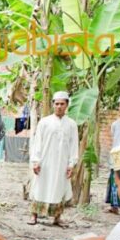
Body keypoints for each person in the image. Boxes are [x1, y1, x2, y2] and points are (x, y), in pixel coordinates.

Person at [28, 91, 78, 227]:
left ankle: (57, 217)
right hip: (45, 162)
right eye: (57, 104)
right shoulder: (44, 122)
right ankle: (34, 215)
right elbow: (37, 142)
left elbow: (74, 146)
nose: (59, 106)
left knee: (59, 188)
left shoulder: (72, 124)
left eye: (62, 104)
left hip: (62, 163)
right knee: (40, 186)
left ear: (67, 105)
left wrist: (71, 164)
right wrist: (35, 161)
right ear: (53, 105)